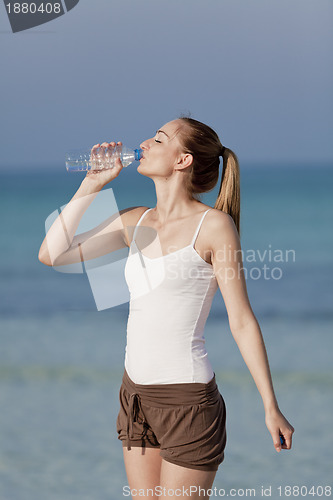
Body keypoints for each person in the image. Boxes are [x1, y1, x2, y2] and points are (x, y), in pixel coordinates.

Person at [38, 117, 294, 499]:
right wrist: (91, 184)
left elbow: (241, 320)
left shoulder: (214, 226)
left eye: (159, 139)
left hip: (188, 403)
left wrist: (270, 406)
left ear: (183, 160)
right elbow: (52, 254)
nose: (144, 142)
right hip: (135, 395)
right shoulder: (134, 221)